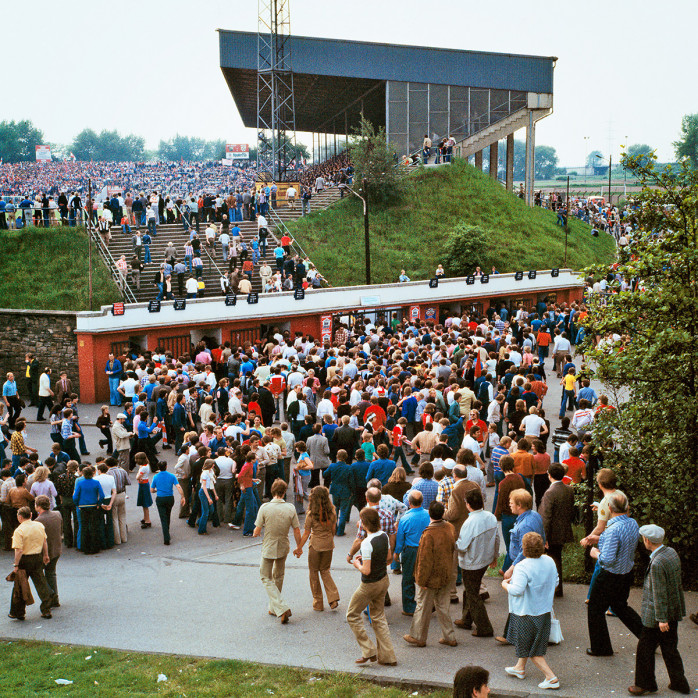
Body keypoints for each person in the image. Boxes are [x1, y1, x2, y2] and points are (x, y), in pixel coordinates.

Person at [628, 524, 690, 696]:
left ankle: (645, 684)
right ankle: (680, 683)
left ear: (647, 541)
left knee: (644, 648)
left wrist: (661, 619)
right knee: (670, 648)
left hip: (656, 615)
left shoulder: (656, 563)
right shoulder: (670, 552)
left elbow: (659, 593)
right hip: (673, 610)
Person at [586, 491, 643, 656]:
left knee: (595, 609)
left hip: (609, 576)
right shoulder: (632, 523)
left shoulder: (612, 529)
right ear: (627, 507)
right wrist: (600, 540)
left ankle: (601, 647)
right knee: (620, 606)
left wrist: (595, 553)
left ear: (610, 508)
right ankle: (648, 637)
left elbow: (608, 560)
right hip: (626, 573)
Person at [502, 532, 559, 690]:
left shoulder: (522, 566)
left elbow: (517, 590)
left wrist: (505, 584)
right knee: (528, 643)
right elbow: (556, 582)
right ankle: (520, 668)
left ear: (524, 548)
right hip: (544, 611)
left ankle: (551, 678)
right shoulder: (549, 561)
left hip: (525, 613)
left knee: (532, 649)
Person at [346, 507, 397, 666]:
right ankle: (388, 657)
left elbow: (366, 570)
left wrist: (357, 564)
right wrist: (369, 558)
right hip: (383, 580)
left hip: (369, 585)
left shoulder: (366, 543)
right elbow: (388, 558)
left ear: (364, 524)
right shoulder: (383, 536)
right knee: (378, 617)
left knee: (352, 614)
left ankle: (368, 650)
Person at [403, 500, 458, 648]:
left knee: (422, 606)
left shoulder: (428, 534)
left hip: (430, 578)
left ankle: (418, 637)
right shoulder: (449, 527)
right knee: (443, 606)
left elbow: (424, 561)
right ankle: (450, 637)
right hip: (446, 573)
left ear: (430, 514)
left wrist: (420, 580)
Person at [253, 478, 301, 624]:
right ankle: (274, 608)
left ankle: (280, 607)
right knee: (278, 576)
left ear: (272, 491)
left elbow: (257, 530)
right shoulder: (290, 508)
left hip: (269, 545)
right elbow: (297, 530)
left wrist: (256, 532)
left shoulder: (265, 507)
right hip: (283, 545)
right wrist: (299, 547)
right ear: (284, 491)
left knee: (265, 576)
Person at [455, 488, 500, 637]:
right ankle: (466, 619)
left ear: (468, 504)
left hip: (471, 563)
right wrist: (494, 556)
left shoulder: (469, 523)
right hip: (485, 559)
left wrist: (453, 542)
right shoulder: (490, 517)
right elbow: (497, 538)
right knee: (470, 589)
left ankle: (485, 627)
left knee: (473, 593)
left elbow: (462, 546)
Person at [294, 485, 339, 612]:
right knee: (325, 570)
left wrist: (299, 548)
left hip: (315, 545)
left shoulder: (311, 515)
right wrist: (329, 538)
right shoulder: (332, 512)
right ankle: (333, 597)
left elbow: (306, 533)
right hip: (328, 544)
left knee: (313, 572)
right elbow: (333, 530)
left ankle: (318, 602)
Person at [8, 506, 54, 620]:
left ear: (19, 517)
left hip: (24, 560)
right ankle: (46, 609)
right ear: (31, 515)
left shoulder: (19, 530)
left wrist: (16, 565)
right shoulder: (39, 525)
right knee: (41, 582)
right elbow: (44, 541)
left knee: (20, 585)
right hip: (37, 557)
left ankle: (18, 612)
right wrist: (46, 555)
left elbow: (18, 550)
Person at [539, 463, 575, 597]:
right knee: (557, 558)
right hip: (563, 529)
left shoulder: (550, 492)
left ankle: (555, 587)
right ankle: (557, 587)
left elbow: (546, 516)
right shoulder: (568, 489)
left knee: (551, 560)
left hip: (552, 531)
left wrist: (544, 537)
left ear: (549, 475)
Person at [394, 490, 430, 616]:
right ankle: (428, 604)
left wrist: (396, 553)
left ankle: (409, 607)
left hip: (410, 550)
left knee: (408, 578)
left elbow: (400, 538)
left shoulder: (405, 518)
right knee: (425, 576)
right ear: (422, 501)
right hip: (426, 549)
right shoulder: (428, 515)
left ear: (409, 502)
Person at [35, 494, 62, 608]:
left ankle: (51, 595)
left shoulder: (38, 521)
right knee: (51, 573)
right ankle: (55, 598)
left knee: (39, 575)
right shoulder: (57, 514)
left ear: (38, 506)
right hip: (57, 549)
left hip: (45, 552)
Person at [150, 460, 185, 545]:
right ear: (166, 466)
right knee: (168, 514)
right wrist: (182, 496)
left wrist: (157, 490)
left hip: (160, 498)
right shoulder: (172, 476)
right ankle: (167, 530)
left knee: (163, 518)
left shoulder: (156, 477)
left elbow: (151, 490)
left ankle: (166, 537)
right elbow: (178, 487)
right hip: (170, 498)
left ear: (158, 468)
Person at [72, 465, 105, 554]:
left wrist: (77, 504)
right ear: (92, 473)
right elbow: (102, 495)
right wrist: (98, 503)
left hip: (83, 507)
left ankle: (85, 547)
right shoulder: (96, 482)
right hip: (93, 505)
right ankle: (95, 547)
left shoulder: (80, 483)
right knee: (94, 526)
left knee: (84, 527)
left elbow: (75, 496)